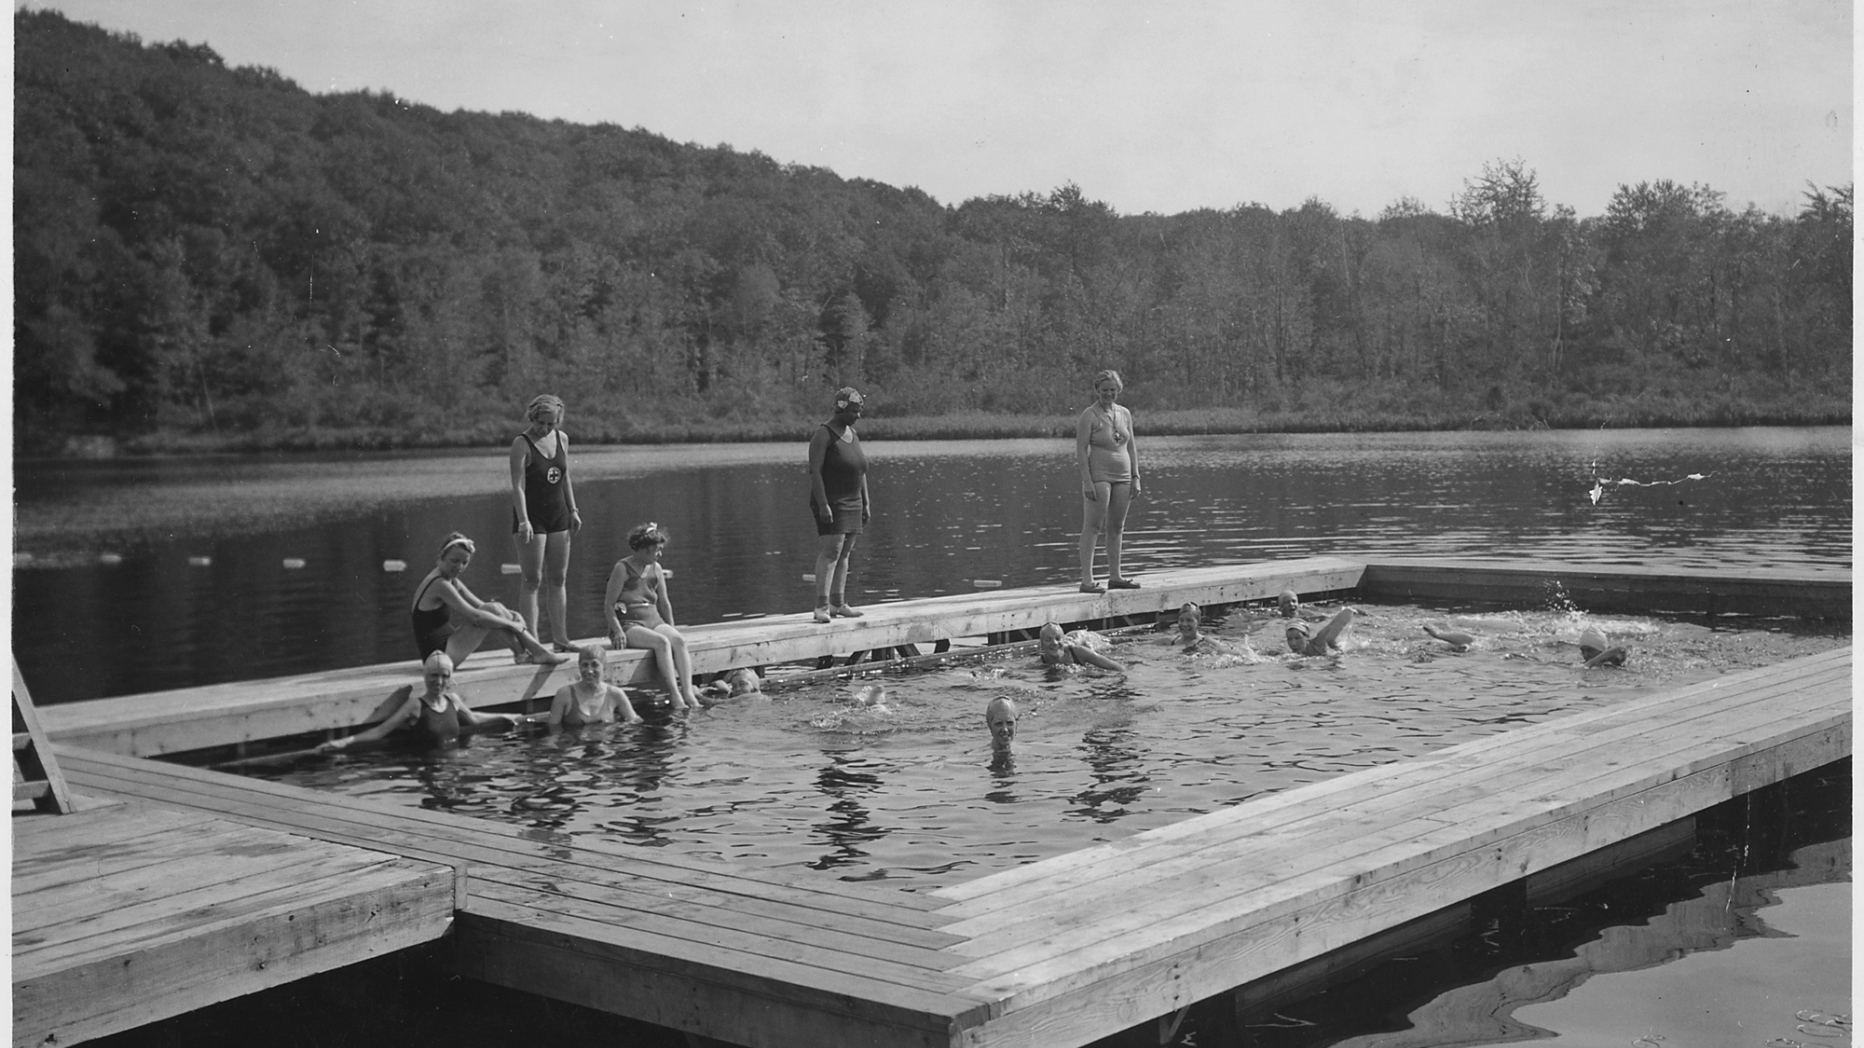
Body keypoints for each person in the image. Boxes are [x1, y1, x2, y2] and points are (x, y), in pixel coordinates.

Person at [318, 652, 532, 751]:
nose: (438, 682)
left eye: (444, 676)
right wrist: (344, 742)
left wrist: (507, 716)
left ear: (450, 679)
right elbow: (381, 731)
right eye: (433, 676)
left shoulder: (453, 700)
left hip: (455, 766)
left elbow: (474, 718)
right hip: (429, 769)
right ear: (425, 677)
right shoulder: (415, 705)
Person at [411, 533, 567, 667]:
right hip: (438, 657)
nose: (459, 567)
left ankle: (527, 654)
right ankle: (533, 653)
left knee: (497, 608)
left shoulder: (451, 580)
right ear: (441, 557)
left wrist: (512, 616)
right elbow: (475, 616)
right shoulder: (440, 584)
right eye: (454, 561)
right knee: (493, 612)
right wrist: (513, 625)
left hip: (447, 647)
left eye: (464, 562)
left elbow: (482, 606)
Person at [509, 393, 581, 651]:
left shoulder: (562, 439)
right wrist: (524, 520)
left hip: (559, 514)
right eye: (541, 423)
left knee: (559, 578)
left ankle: (560, 639)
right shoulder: (522, 443)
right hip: (531, 518)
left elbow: (565, 476)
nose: (545, 429)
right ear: (533, 418)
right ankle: (532, 643)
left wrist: (573, 509)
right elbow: (517, 484)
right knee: (532, 580)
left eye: (551, 424)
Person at [604, 522, 700, 709]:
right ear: (644, 549)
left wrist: (671, 628)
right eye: (656, 550)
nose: (659, 554)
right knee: (661, 643)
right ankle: (674, 694)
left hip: (653, 620)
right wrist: (617, 631)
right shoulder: (622, 568)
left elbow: (664, 603)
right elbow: (608, 605)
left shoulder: (656, 568)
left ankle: (688, 693)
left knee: (678, 641)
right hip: (629, 624)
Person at [808, 387, 870, 623]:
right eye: (854, 411)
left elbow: (860, 469)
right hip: (832, 500)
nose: (858, 416)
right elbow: (815, 472)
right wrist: (823, 505)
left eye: (859, 411)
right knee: (831, 551)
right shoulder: (823, 434)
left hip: (853, 500)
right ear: (841, 409)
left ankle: (838, 603)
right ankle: (821, 607)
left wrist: (866, 502)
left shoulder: (852, 433)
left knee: (845, 553)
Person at [1076, 369, 1141, 593]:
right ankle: (1087, 580)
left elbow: (1131, 446)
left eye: (1113, 390)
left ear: (1118, 390)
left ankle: (1116, 576)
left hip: (1124, 475)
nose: (1109, 394)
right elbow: (1081, 450)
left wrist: (1136, 476)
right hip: (1099, 476)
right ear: (1097, 391)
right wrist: (1087, 481)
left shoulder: (1124, 413)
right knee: (1093, 526)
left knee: (1117, 527)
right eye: (1104, 390)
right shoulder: (1089, 415)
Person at [542, 647, 643, 726]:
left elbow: (634, 721)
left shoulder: (615, 694)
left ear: (605, 667)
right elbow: (553, 730)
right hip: (575, 748)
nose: (589, 671)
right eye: (585, 665)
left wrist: (620, 729)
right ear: (579, 666)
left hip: (605, 747)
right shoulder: (564, 694)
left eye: (595, 665)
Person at [1036, 622, 1125, 671]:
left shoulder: (1078, 652)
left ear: (1063, 640)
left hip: (1085, 639)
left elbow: (1116, 667)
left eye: (1058, 638)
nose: (1054, 643)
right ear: (1042, 644)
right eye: (1048, 640)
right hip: (1073, 638)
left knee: (1113, 643)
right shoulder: (1040, 662)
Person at [1284, 606, 1357, 656]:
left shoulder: (1319, 641)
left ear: (1307, 636)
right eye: (1289, 639)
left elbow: (1348, 612)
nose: (1293, 643)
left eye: (1297, 638)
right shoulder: (1290, 656)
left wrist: (1331, 641)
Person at [699, 667, 764, 704]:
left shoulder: (755, 696)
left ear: (755, 689)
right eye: (734, 686)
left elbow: (718, 703)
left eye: (742, 684)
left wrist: (697, 695)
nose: (737, 689)